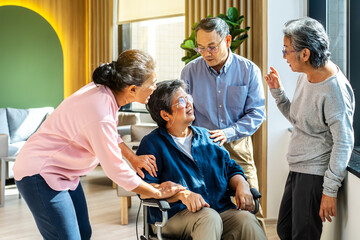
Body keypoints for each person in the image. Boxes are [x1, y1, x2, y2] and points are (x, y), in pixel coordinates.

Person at [12, 49, 184, 240]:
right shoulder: (100, 110)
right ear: (132, 89)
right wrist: (156, 191)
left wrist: (133, 158)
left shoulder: (105, 94)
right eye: (151, 84)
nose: (154, 88)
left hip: (64, 172)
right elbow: (115, 170)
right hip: (39, 173)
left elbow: (109, 136)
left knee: (84, 233)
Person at [138, 79, 267, 240]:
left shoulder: (208, 137)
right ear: (165, 114)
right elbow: (144, 189)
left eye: (188, 98)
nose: (189, 104)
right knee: (208, 217)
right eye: (181, 101)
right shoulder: (152, 144)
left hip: (218, 210)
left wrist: (242, 184)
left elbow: (231, 169)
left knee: (245, 219)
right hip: (171, 216)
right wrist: (181, 195)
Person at [265, 17, 354, 240]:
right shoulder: (307, 76)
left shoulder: (334, 91)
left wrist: (329, 190)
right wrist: (278, 93)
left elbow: (344, 143)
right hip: (298, 167)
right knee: (284, 230)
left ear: (305, 54)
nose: (284, 56)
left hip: (314, 174)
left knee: (303, 236)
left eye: (286, 50)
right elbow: (299, 120)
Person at [180, 17, 266, 218]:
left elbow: (257, 113)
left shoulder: (248, 70)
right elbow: (183, 112)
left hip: (238, 145)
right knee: (207, 209)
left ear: (227, 41)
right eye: (200, 48)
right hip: (202, 147)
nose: (206, 53)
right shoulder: (189, 71)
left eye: (211, 47)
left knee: (250, 205)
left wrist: (228, 133)